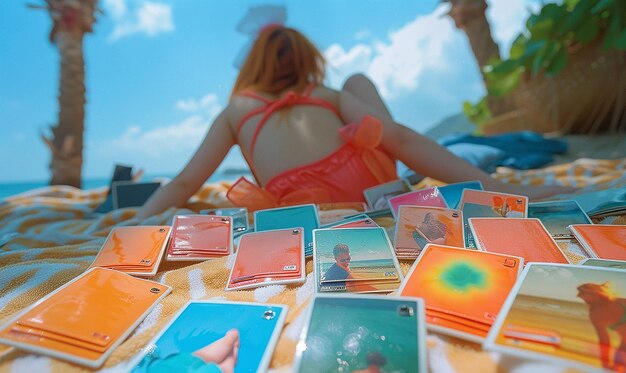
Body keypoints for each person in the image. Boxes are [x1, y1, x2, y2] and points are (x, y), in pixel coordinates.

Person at [136, 21, 574, 220]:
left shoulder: (234, 112)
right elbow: (399, 137)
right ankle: (434, 171)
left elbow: (181, 184)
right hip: (370, 187)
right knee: (360, 82)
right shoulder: (326, 94)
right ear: (309, 64)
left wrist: (138, 218)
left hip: (303, 208)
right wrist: (504, 191)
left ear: (252, 71)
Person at [577, 282, 626, 371]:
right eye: (581, 296)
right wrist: (605, 365)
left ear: (595, 294)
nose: (583, 299)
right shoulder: (595, 314)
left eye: (583, 295)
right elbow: (604, 341)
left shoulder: (621, 301)